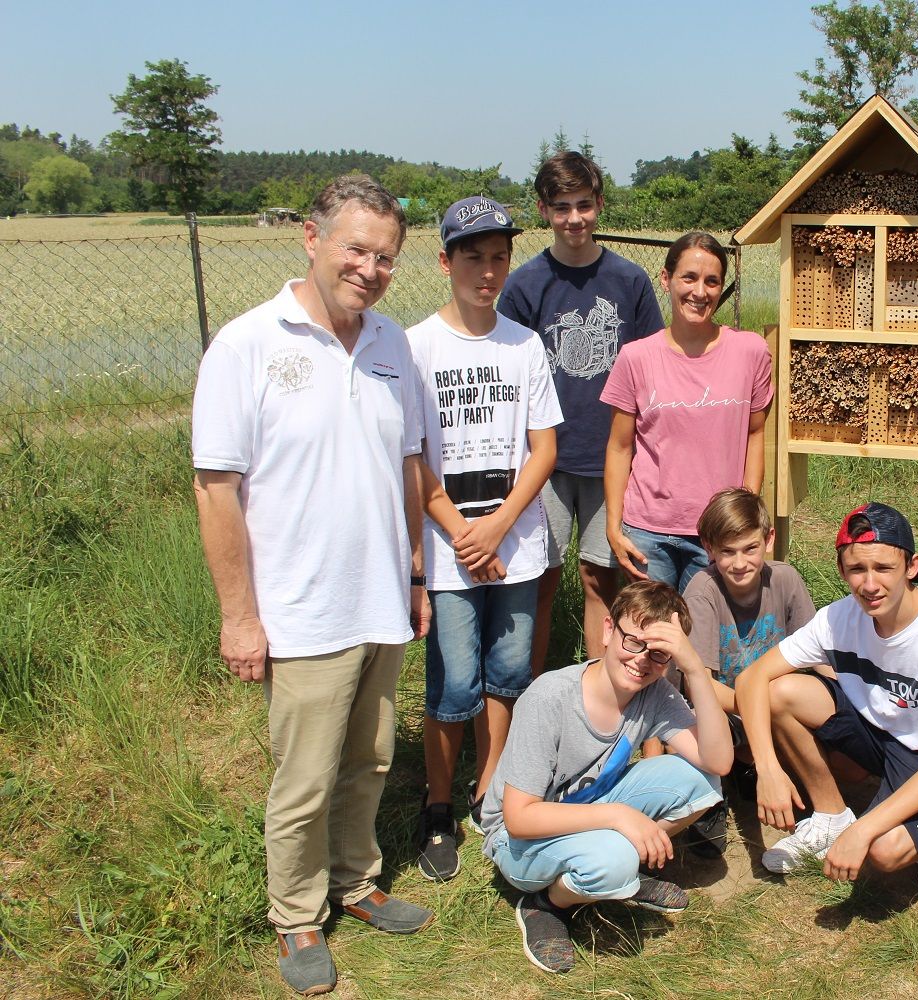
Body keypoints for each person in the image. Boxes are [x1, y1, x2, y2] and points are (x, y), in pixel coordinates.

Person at [192, 175, 433, 996]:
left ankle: (355, 881)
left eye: (387, 258)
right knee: (304, 777)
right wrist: (239, 618)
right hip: (300, 609)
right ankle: (296, 914)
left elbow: (408, 465)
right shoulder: (249, 344)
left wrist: (413, 573)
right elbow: (216, 488)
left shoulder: (393, 344)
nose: (370, 269)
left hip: (379, 601)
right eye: (357, 249)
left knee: (368, 759)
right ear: (311, 237)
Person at [406, 195, 562, 882]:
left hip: (517, 546)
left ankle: (489, 789)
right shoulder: (414, 348)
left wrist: (498, 525)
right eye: (473, 257)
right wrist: (459, 531)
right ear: (445, 261)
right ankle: (437, 806)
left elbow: (544, 448)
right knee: (452, 683)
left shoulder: (523, 344)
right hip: (449, 551)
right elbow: (413, 455)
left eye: (499, 258)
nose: (488, 271)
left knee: (507, 675)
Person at [479, 581, 734, 974]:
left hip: (586, 809)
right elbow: (519, 818)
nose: (641, 661)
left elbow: (717, 761)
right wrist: (619, 817)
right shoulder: (550, 698)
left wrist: (695, 670)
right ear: (607, 630)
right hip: (519, 841)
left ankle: (618, 870)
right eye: (632, 641)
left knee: (701, 781)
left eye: (659, 653)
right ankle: (547, 903)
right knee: (615, 860)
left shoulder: (655, 693)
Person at [736, 502, 918, 893]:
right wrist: (768, 770)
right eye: (857, 569)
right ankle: (830, 815)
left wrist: (863, 832)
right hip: (876, 729)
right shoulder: (837, 618)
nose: (870, 585)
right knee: (778, 691)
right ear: (842, 570)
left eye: (884, 568)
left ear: (912, 566)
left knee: (884, 852)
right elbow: (752, 679)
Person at [498, 151, 664, 673]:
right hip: (544, 457)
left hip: (611, 457)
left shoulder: (628, 281)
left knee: (601, 578)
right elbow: (507, 369)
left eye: (584, 205)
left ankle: (599, 691)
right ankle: (530, 691)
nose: (575, 219)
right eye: (562, 207)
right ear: (544, 210)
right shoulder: (526, 284)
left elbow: (653, 364)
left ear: (600, 205)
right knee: (539, 581)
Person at [601, 232, 772, 591]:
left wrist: (745, 515)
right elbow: (619, 446)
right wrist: (614, 527)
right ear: (666, 279)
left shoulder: (750, 351)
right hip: (647, 532)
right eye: (689, 278)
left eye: (712, 281)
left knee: (707, 638)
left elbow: (755, 434)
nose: (700, 292)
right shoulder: (636, 357)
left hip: (720, 532)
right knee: (650, 636)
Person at [678, 486, 817, 854]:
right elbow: (699, 686)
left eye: (749, 549)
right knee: (703, 724)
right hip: (723, 706)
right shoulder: (702, 591)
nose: (740, 563)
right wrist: (754, 708)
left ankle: (794, 782)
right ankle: (708, 799)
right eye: (727, 551)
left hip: (771, 702)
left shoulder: (785, 580)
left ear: (768, 540)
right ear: (709, 549)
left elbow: (817, 656)